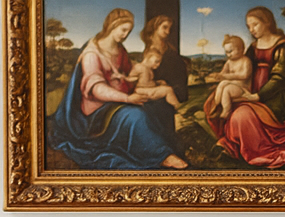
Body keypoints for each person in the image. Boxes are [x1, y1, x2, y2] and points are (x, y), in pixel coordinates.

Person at [47, 8, 186, 170]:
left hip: (117, 102)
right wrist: (128, 98)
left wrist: (150, 81)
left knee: (155, 105)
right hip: (96, 113)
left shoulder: (119, 50)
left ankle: (157, 149)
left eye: (129, 31)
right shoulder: (92, 54)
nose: (126, 35)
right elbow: (96, 89)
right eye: (123, 30)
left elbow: (129, 73)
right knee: (135, 115)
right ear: (112, 26)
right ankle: (162, 156)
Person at [203, 6, 285, 168]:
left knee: (241, 116)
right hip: (253, 93)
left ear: (267, 22)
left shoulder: (284, 46)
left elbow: (280, 78)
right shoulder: (253, 47)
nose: (251, 29)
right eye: (249, 26)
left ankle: (253, 149)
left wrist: (258, 96)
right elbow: (243, 68)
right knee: (222, 104)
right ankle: (235, 145)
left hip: (276, 99)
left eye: (255, 24)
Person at [139, 15, 189, 105]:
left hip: (175, 89)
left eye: (169, 28)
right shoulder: (149, 51)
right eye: (164, 27)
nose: (167, 32)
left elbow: (177, 74)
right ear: (155, 27)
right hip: (157, 88)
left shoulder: (170, 51)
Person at [206, 35, 253, 119]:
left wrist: (226, 76)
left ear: (241, 49)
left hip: (242, 87)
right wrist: (218, 76)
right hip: (230, 84)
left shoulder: (245, 61)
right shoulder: (229, 62)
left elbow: (244, 75)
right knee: (222, 84)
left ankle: (226, 110)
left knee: (226, 90)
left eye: (230, 51)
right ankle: (216, 105)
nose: (228, 54)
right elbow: (223, 73)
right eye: (226, 52)